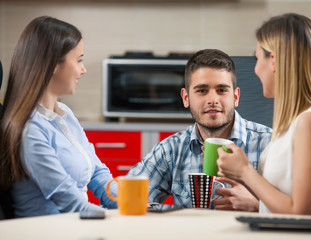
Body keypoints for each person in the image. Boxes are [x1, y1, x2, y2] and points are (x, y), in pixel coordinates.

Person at [217, 13, 311, 216]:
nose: (254, 69)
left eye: (257, 58)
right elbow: (285, 197)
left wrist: (246, 171)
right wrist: (243, 178)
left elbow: (304, 213)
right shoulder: (296, 123)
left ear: (274, 61)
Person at [0, 16, 117, 217]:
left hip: (74, 224)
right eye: (79, 60)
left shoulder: (65, 114)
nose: (83, 69)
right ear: (54, 64)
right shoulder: (30, 130)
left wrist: (133, 202)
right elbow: (68, 201)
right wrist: (118, 218)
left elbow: (98, 173)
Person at [127, 49, 272, 210]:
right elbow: (129, 197)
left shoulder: (269, 144)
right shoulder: (171, 149)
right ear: (186, 98)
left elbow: (300, 210)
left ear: (236, 97)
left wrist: (258, 206)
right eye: (202, 91)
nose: (212, 100)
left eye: (222, 90)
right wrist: (179, 215)